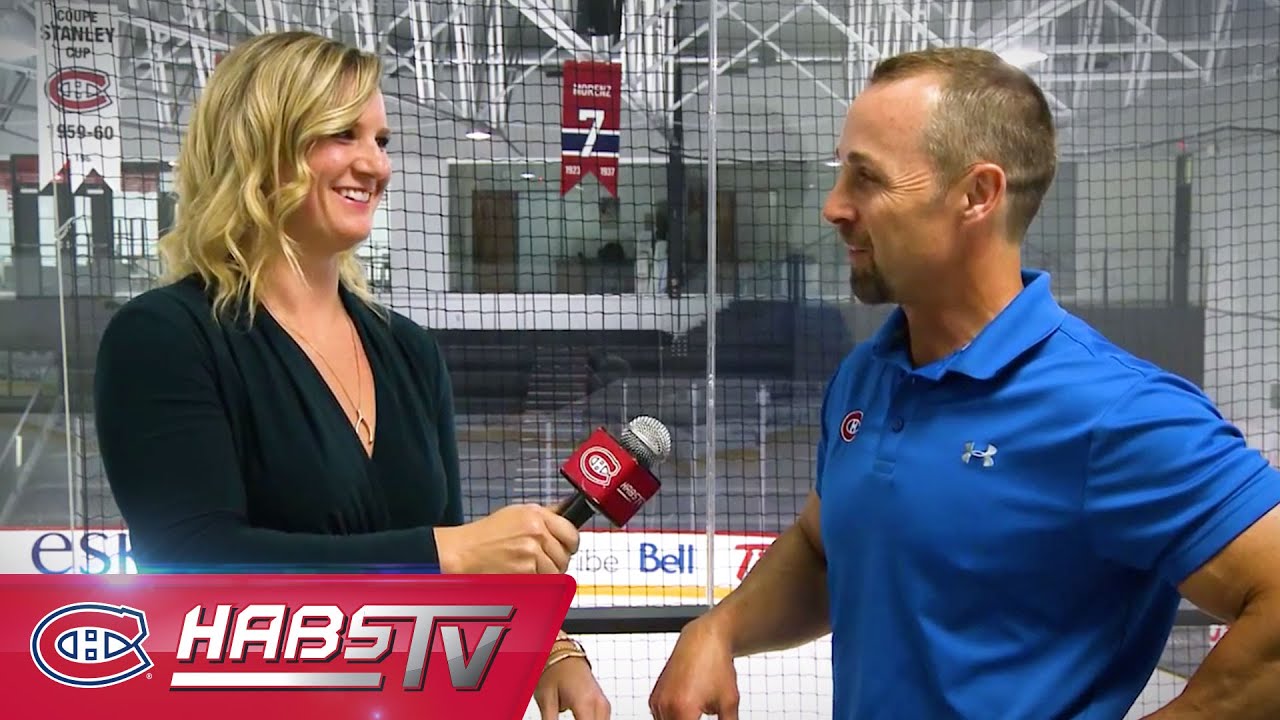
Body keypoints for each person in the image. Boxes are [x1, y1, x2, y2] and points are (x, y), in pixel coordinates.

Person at [649, 46, 1280, 720]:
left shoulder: (1114, 411)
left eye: (867, 178)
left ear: (977, 195)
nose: (834, 207)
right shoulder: (866, 376)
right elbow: (822, 549)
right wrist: (719, 628)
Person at [93, 30, 611, 719]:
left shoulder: (408, 351)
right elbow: (191, 560)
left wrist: (548, 644)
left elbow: (451, 569)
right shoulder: (165, 335)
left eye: (381, 140)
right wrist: (445, 552)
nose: (375, 165)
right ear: (260, 146)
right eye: (342, 134)